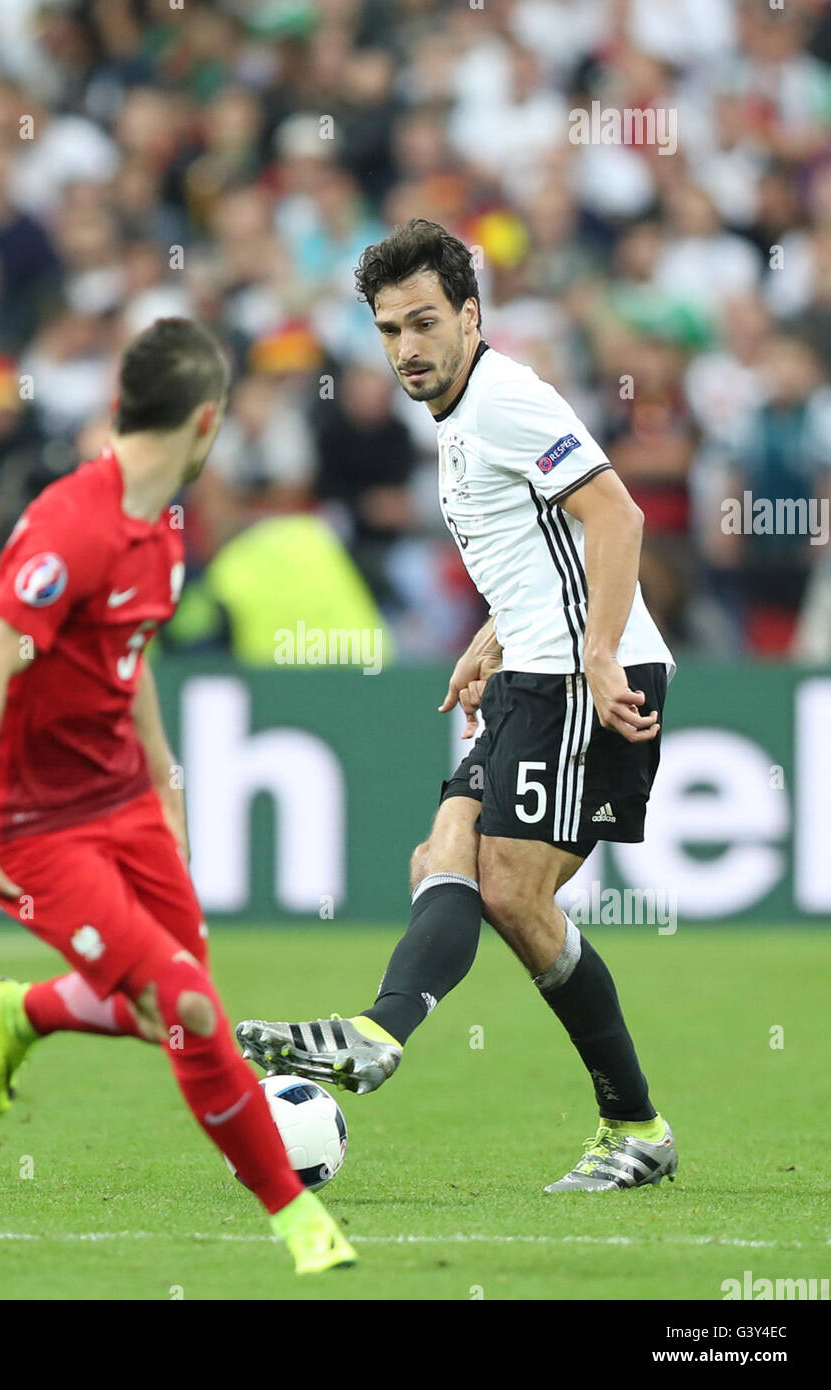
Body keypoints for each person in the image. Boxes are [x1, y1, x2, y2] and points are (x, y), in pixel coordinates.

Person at [238, 221, 678, 1194]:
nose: (407, 348)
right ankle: (382, 1034)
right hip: (533, 667)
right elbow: (537, 551)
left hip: (579, 681)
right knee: (443, 857)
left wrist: (597, 654)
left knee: (510, 890)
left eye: (425, 322)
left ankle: (620, 1119)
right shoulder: (457, 416)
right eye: (389, 330)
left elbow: (615, 514)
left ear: (471, 316)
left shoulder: (506, 400)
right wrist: (492, 636)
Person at [0, 316, 355, 1273]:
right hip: (28, 830)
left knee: (172, 1004)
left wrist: (165, 786)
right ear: (207, 423)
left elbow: (132, 655)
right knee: (191, 1007)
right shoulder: (73, 524)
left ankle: (20, 1011)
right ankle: (298, 1225)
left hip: (120, 803)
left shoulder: (161, 525)